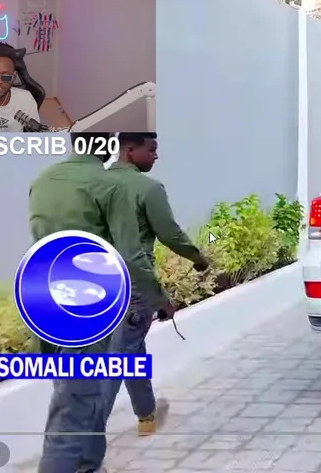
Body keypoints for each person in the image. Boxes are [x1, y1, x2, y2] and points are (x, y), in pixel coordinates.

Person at [29, 132, 171, 473]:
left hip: (45, 296)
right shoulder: (110, 185)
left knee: (80, 391)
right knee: (74, 405)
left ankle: (89, 465)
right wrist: (159, 298)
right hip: (89, 301)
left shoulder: (43, 181)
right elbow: (131, 255)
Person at [109, 132, 211, 436]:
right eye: (151, 149)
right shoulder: (148, 188)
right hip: (133, 284)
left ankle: (146, 414)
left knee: (127, 348)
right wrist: (198, 258)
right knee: (124, 354)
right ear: (130, 149)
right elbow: (169, 233)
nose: (156, 155)